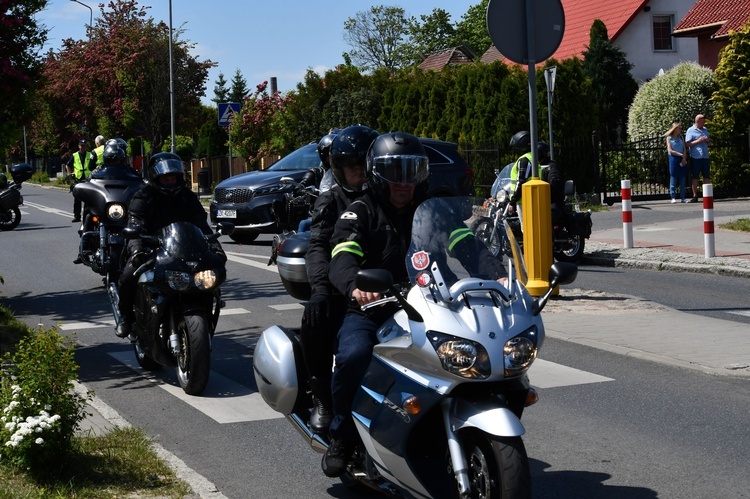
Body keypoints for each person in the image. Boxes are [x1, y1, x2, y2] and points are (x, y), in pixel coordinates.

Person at [321, 132, 508, 477]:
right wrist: (356, 287)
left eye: (412, 171)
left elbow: (468, 245)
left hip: (431, 303)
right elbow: (342, 256)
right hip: (375, 307)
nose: (404, 182)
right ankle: (342, 436)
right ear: (377, 174)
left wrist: (497, 276)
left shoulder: (432, 213)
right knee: (354, 354)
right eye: (395, 172)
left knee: (478, 350)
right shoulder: (360, 212)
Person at [300, 125, 378, 435]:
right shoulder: (331, 200)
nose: (358, 172)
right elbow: (318, 245)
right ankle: (323, 399)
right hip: (342, 285)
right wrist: (320, 289)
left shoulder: (388, 195)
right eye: (351, 166)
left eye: (363, 164)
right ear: (339, 168)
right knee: (315, 319)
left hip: (388, 287)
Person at [114, 153, 221, 339]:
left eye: (173, 177)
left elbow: (202, 225)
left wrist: (216, 246)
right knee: (127, 276)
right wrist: (137, 250)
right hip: (151, 250)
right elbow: (134, 226)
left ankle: (203, 315)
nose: (170, 182)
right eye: (166, 178)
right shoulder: (143, 197)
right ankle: (125, 318)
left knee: (209, 279)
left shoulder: (187, 197)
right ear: (156, 177)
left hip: (182, 250)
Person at [508, 131, 551, 221]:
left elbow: (521, 181)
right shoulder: (534, 158)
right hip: (533, 199)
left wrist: (513, 201)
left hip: (524, 201)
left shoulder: (525, 160)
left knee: (526, 229)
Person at [66, 139, 95, 222]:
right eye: (81, 145)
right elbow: (68, 165)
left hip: (87, 179)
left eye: (84, 145)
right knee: (77, 199)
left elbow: (94, 165)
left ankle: (87, 216)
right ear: (79, 146)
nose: (83, 147)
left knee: (88, 199)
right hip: (78, 179)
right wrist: (70, 174)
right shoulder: (75, 155)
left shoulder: (90, 155)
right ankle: (77, 216)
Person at [685, 114, 711, 203]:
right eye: (703, 120)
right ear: (698, 121)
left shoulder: (705, 130)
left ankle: (706, 195)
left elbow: (709, 143)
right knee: (695, 176)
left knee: (706, 176)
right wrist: (698, 141)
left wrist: (707, 141)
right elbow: (687, 144)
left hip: (705, 156)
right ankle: (695, 195)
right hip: (696, 157)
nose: (704, 122)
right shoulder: (691, 130)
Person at [664, 122, 689, 203]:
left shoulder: (681, 137)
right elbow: (670, 150)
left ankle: (683, 197)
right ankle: (673, 197)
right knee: (674, 177)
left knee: (682, 178)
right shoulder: (669, 138)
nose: (680, 130)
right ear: (675, 129)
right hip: (674, 158)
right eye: (679, 128)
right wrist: (679, 154)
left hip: (682, 158)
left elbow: (684, 148)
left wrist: (684, 156)